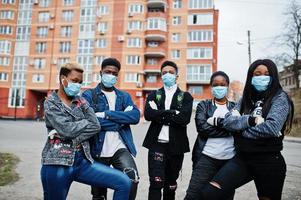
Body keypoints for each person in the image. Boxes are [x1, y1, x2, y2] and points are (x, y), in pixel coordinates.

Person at [200, 59, 294, 200]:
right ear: (251, 77)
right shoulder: (246, 98)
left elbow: (271, 128)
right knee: (209, 193)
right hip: (242, 159)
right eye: (257, 74)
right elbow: (228, 121)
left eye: (266, 74)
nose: (261, 77)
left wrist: (239, 129)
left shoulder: (280, 98)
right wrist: (250, 121)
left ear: (273, 76)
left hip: (269, 162)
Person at [40, 63, 131, 200]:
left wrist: (72, 135)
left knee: (124, 182)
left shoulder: (81, 100)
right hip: (57, 163)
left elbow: (95, 126)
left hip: (82, 161)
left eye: (80, 82)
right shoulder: (51, 102)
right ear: (62, 78)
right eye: (74, 81)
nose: (78, 85)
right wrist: (82, 124)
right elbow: (67, 130)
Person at [82, 58, 140, 200]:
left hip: (120, 148)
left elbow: (135, 117)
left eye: (114, 73)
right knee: (99, 194)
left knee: (132, 179)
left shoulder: (124, 96)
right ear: (100, 72)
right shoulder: (88, 95)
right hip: (97, 150)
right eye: (108, 72)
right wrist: (120, 121)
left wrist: (107, 114)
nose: (111, 75)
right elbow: (90, 122)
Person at [143, 60, 193, 200]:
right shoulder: (154, 95)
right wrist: (173, 113)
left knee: (171, 185)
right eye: (164, 72)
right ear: (161, 76)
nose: (167, 75)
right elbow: (148, 115)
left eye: (171, 72)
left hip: (176, 147)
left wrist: (159, 113)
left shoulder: (186, 97)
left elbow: (184, 119)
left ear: (177, 76)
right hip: (156, 145)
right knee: (156, 183)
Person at [184, 71, 236, 200]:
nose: (219, 87)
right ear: (211, 87)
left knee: (225, 196)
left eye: (222, 84)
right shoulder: (203, 106)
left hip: (230, 161)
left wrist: (216, 124)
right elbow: (202, 129)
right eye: (215, 84)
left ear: (228, 86)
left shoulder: (236, 107)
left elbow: (241, 128)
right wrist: (230, 128)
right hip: (206, 158)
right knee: (193, 195)